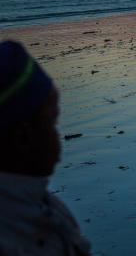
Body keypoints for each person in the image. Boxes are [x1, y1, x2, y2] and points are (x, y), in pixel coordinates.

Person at [0, 40, 91, 256]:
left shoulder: (42, 203)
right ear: (23, 136)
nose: (57, 135)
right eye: (52, 122)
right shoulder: (12, 240)